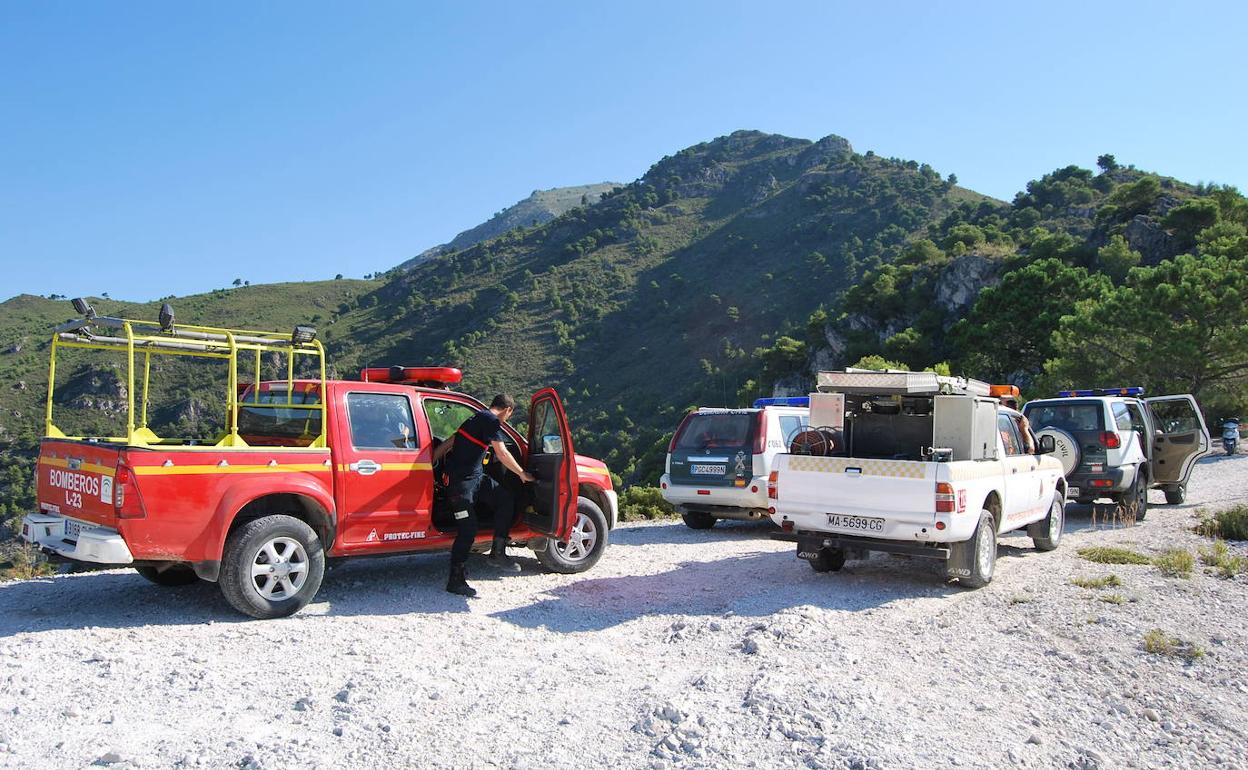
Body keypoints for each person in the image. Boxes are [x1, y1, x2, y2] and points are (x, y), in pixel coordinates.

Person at [432, 394, 535, 597]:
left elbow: (451, 441)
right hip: (461, 486)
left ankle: (498, 551)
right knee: (467, 530)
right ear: (508, 410)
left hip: (477, 479)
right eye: (508, 416)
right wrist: (522, 474)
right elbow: (503, 453)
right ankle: (455, 579)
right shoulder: (492, 420)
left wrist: (431, 460)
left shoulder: (475, 418)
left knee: (505, 499)